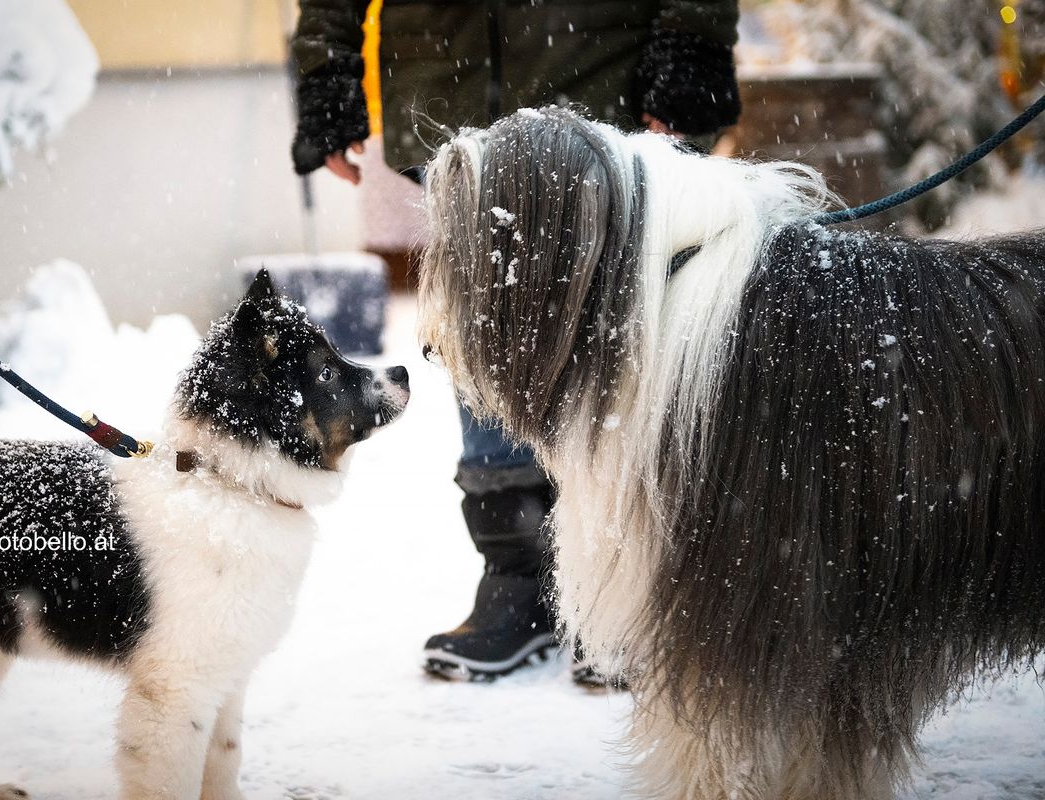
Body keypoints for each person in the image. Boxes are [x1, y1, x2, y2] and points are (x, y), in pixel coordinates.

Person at [288, 0, 742, 683]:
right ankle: (518, 576)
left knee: (619, 340)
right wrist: (329, 68)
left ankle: (631, 582)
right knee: (486, 332)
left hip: (601, 75)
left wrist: (689, 44)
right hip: (446, 78)